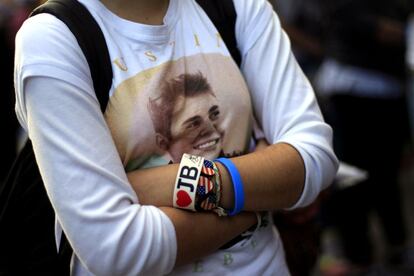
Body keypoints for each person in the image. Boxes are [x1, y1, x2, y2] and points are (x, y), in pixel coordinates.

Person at [14, 0, 338, 274]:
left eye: (212, 115)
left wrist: (159, 185)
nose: (209, 130)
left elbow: (315, 157)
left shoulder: (238, 6)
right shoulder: (55, 38)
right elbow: (116, 250)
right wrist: (262, 197)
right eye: (191, 124)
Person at [314, 0, 413, 272]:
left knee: (388, 176)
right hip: (351, 93)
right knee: (352, 179)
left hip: (390, 91)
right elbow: (369, 28)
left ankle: (396, 246)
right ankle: (357, 254)